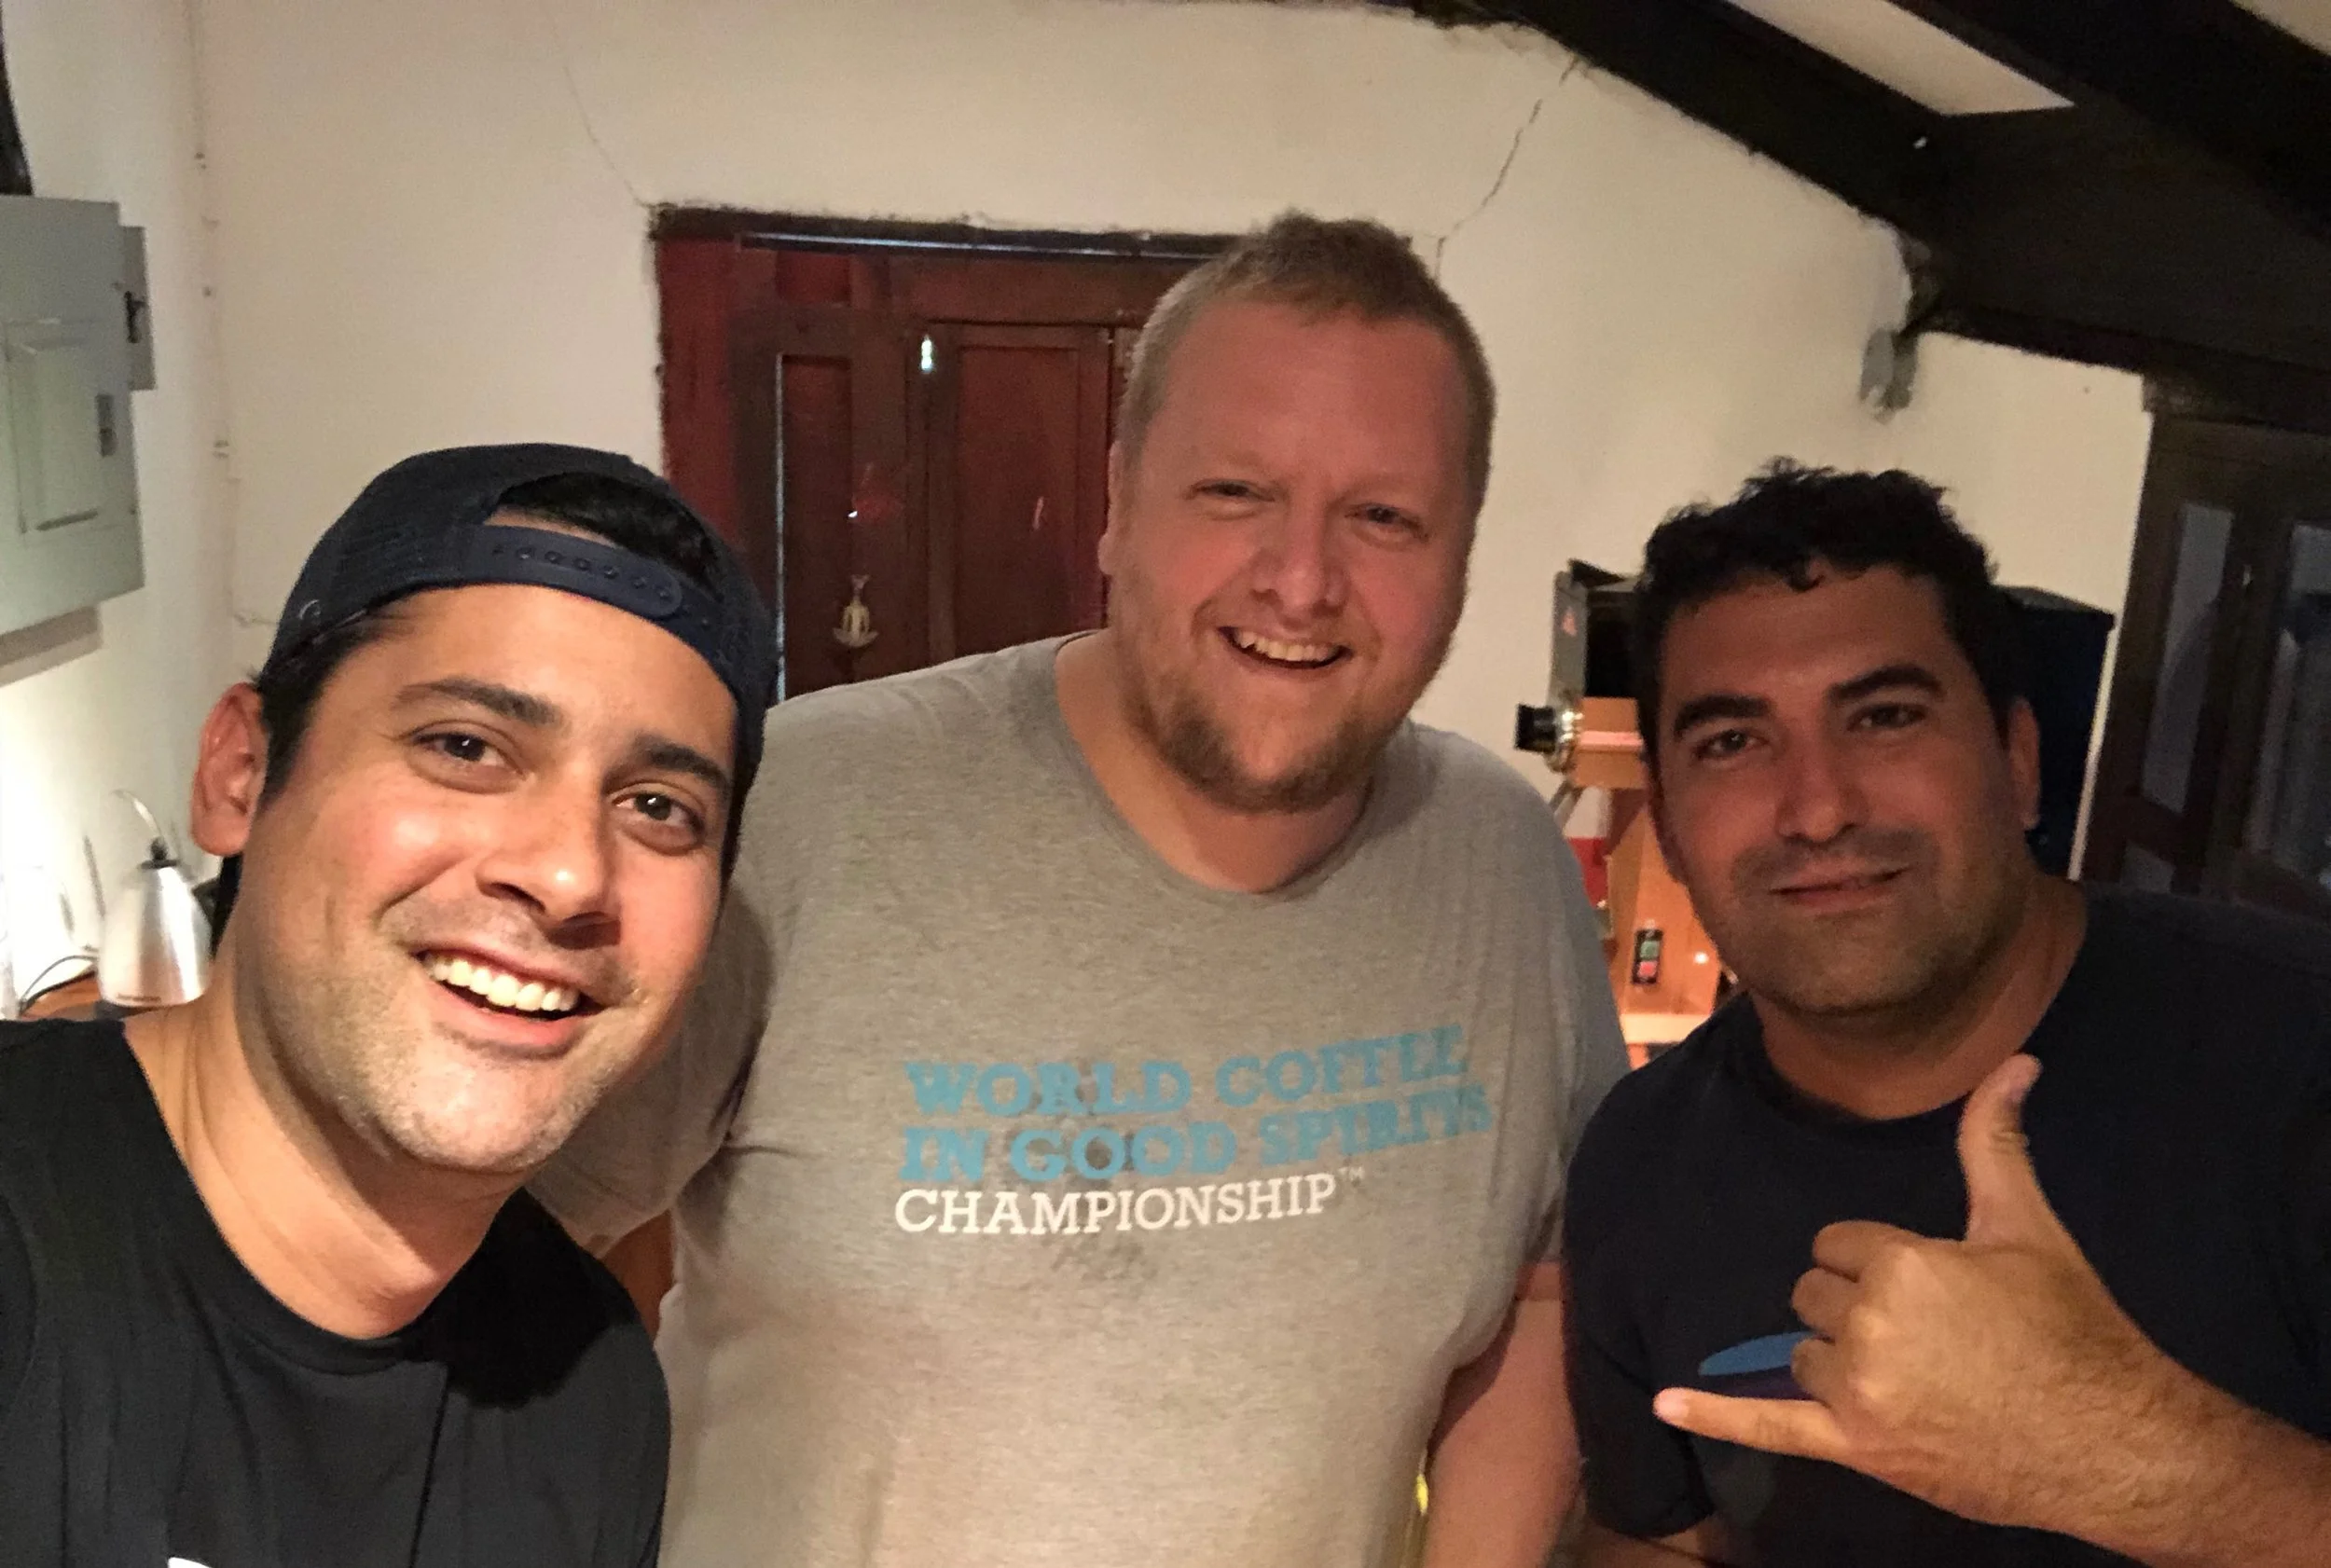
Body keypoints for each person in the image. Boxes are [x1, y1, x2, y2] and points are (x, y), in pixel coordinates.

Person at [534, 213, 1629, 1568]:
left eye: (1384, 516)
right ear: (1117, 503)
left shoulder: (1503, 866)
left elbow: (1539, 1283)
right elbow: (491, 1247)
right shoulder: (799, 812)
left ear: (1462, 551)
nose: (1301, 580)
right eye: (1234, 491)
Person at [0, 445, 777, 1567]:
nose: (570, 874)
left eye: (658, 807)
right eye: (465, 746)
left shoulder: (587, 1393)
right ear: (241, 772)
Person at [1564, 461, 2331, 1567]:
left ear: (2017, 761)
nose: (1818, 807)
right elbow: (1667, 1539)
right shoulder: (1642, 1160)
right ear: (1670, 826)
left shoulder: (2295, 1063)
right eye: (1732, 740)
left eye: (1883, 716)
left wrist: (2125, 1450)